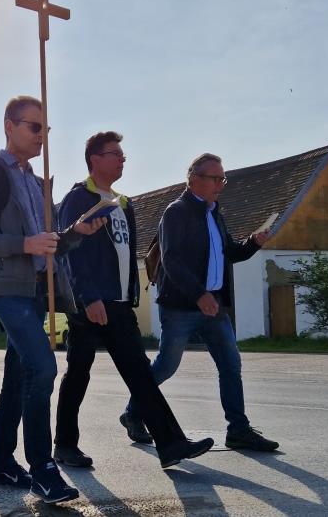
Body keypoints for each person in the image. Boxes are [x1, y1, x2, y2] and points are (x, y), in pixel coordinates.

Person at [0, 95, 105, 504]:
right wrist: (25, 243)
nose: (42, 135)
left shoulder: (38, 181)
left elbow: (50, 243)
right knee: (43, 368)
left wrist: (75, 233)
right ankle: (43, 468)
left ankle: (0, 462)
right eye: (34, 127)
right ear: (10, 126)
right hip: (6, 288)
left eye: (47, 128)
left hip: (37, 289)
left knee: (17, 377)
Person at [54, 132, 214, 469]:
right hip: (91, 304)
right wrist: (89, 297)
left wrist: (128, 295)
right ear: (95, 159)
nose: (122, 159)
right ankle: (65, 446)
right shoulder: (78, 198)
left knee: (140, 374)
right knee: (79, 373)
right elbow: (71, 253)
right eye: (115, 154)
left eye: (123, 155)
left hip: (120, 303)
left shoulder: (122, 203)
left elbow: (126, 254)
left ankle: (171, 444)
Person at [124, 152, 280, 452]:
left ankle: (238, 430)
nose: (221, 184)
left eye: (223, 178)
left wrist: (252, 243)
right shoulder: (176, 212)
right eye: (215, 178)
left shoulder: (214, 213)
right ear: (194, 179)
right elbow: (171, 260)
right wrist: (199, 294)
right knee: (166, 366)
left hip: (213, 306)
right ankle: (133, 412)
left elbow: (229, 252)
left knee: (231, 365)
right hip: (181, 307)